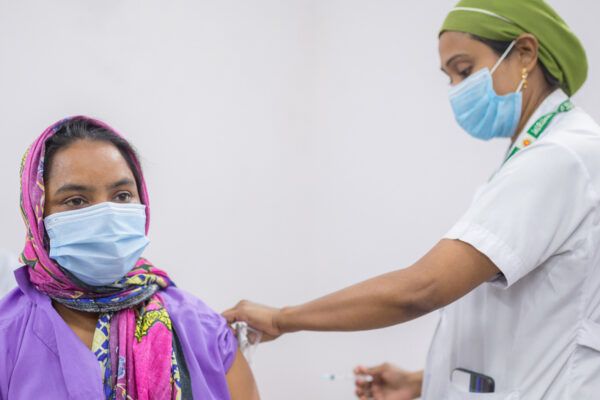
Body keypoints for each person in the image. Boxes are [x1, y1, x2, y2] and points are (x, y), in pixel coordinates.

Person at [223, 1, 600, 398]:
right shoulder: (540, 156)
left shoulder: (562, 158)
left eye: (464, 70)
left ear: (524, 53)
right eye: (449, 77)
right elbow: (538, 327)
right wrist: (422, 381)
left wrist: (284, 319)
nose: (456, 90)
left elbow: (424, 288)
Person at [0, 117, 260, 399]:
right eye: (76, 200)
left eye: (122, 195)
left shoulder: (203, 330)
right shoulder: (8, 336)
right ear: (38, 214)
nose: (108, 216)